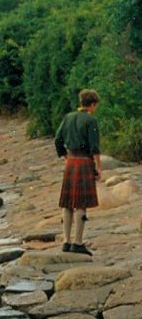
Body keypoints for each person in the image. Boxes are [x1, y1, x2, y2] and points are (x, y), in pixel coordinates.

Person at [54, 89, 102, 256]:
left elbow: (57, 139)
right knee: (81, 203)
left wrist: (65, 155)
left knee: (67, 202)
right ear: (93, 104)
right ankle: (78, 243)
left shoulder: (68, 117)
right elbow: (94, 147)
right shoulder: (91, 120)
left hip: (71, 162)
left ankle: (66, 241)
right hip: (83, 162)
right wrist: (98, 167)